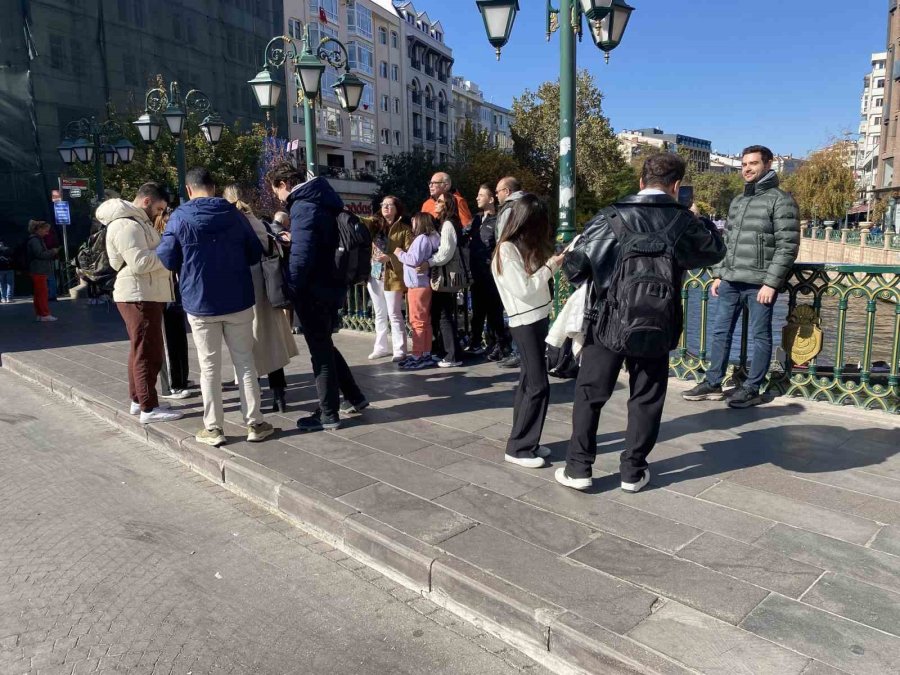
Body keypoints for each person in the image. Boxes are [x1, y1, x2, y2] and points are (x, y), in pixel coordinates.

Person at [556, 153, 726, 493]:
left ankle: (578, 469)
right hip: (658, 322)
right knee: (647, 396)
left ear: (640, 181)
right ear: (676, 186)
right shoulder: (683, 221)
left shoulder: (610, 217)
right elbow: (714, 252)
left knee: (590, 394)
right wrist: (700, 219)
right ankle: (632, 471)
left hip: (606, 320)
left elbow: (574, 269)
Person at [157, 168, 273, 446]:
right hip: (238, 299)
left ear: (188, 190)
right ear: (213, 186)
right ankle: (255, 423)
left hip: (200, 302)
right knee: (245, 363)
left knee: (209, 367)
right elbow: (255, 252)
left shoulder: (180, 218)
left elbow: (167, 258)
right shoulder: (234, 214)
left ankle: (214, 428)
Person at [682, 145, 799, 409]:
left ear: (768, 165)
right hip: (731, 281)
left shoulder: (780, 200)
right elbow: (728, 242)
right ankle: (713, 383)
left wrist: (771, 282)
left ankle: (752, 387)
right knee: (720, 331)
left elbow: (788, 245)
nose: (747, 168)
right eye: (744, 164)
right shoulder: (738, 201)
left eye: (753, 164)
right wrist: (719, 274)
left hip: (760, 284)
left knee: (760, 336)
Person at [267, 161, 368, 432]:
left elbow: (301, 257)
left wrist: (291, 287)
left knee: (320, 351)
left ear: (284, 184)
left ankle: (328, 413)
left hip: (313, 289)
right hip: (331, 283)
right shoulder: (322, 199)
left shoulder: (303, 205)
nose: (279, 197)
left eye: (277, 191)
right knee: (325, 344)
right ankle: (355, 397)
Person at [98, 183, 184, 424]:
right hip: (138, 294)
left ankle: (139, 400)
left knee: (141, 349)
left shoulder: (136, 222)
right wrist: (169, 253)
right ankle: (148, 407)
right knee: (148, 351)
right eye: (159, 208)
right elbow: (140, 262)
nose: (159, 213)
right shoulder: (127, 224)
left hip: (143, 293)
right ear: (146, 201)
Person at [493, 195, 565, 468]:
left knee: (528, 382)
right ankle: (519, 446)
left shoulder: (516, 247)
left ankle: (526, 441)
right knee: (537, 385)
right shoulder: (506, 250)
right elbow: (524, 289)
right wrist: (551, 267)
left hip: (534, 318)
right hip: (524, 321)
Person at [223, 183, 299, 413]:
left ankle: (252, 396)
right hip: (268, 290)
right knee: (271, 342)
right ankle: (279, 395)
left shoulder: (231, 225)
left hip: (243, 291)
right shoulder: (261, 224)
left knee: (245, 346)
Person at [465, 184, 511, 361]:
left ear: (491, 199)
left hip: (491, 274)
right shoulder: (476, 220)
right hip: (476, 274)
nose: (477, 198)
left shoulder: (498, 220)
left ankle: (501, 345)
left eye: (481, 195)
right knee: (477, 311)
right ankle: (476, 342)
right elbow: (462, 235)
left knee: (494, 311)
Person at [151, 208, 192, 399]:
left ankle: (181, 377)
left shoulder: (171, 237)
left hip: (175, 292)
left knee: (178, 338)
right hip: (164, 294)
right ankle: (172, 385)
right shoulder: (159, 240)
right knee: (169, 340)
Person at [367, 195, 412, 362]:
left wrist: (390, 257)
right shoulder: (375, 225)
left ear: (396, 208)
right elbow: (362, 222)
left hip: (392, 275)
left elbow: (409, 254)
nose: (386, 208)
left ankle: (399, 349)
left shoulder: (404, 229)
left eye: (389, 205)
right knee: (379, 313)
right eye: (383, 205)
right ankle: (380, 347)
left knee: (394, 313)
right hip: (374, 274)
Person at [395, 212, 441, 370]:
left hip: (416, 285)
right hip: (423, 284)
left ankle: (417, 355)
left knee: (417, 322)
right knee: (424, 322)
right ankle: (426, 353)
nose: (412, 225)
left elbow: (413, 260)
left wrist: (399, 253)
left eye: (414, 222)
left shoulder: (421, 239)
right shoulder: (431, 238)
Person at [428, 191, 464, 368]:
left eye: (439, 201)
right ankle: (448, 351)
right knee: (443, 314)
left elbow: (445, 252)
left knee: (444, 315)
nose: (436, 203)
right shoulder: (448, 223)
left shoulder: (448, 224)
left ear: (447, 205)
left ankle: (452, 355)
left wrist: (429, 262)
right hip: (446, 275)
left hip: (446, 276)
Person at [26, 220, 59, 321]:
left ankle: (40, 314)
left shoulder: (34, 239)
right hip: (39, 269)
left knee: (39, 293)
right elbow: (40, 254)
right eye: (45, 230)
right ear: (39, 229)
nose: (47, 233)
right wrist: (52, 252)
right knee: (42, 293)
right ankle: (44, 314)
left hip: (37, 269)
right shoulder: (35, 240)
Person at [495, 176, 527, 240]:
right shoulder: (529, 205)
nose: (496, 195)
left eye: (497, 192)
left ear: (506, 191)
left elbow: (503, 239)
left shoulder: (509, 209)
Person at [0, 237, 13, 303]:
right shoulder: (8, 249)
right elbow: (12, 258)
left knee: (2, 284)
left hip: (0, 269)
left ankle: (3, 298)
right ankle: (9, 298)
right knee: (9, 284)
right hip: (9, 268)